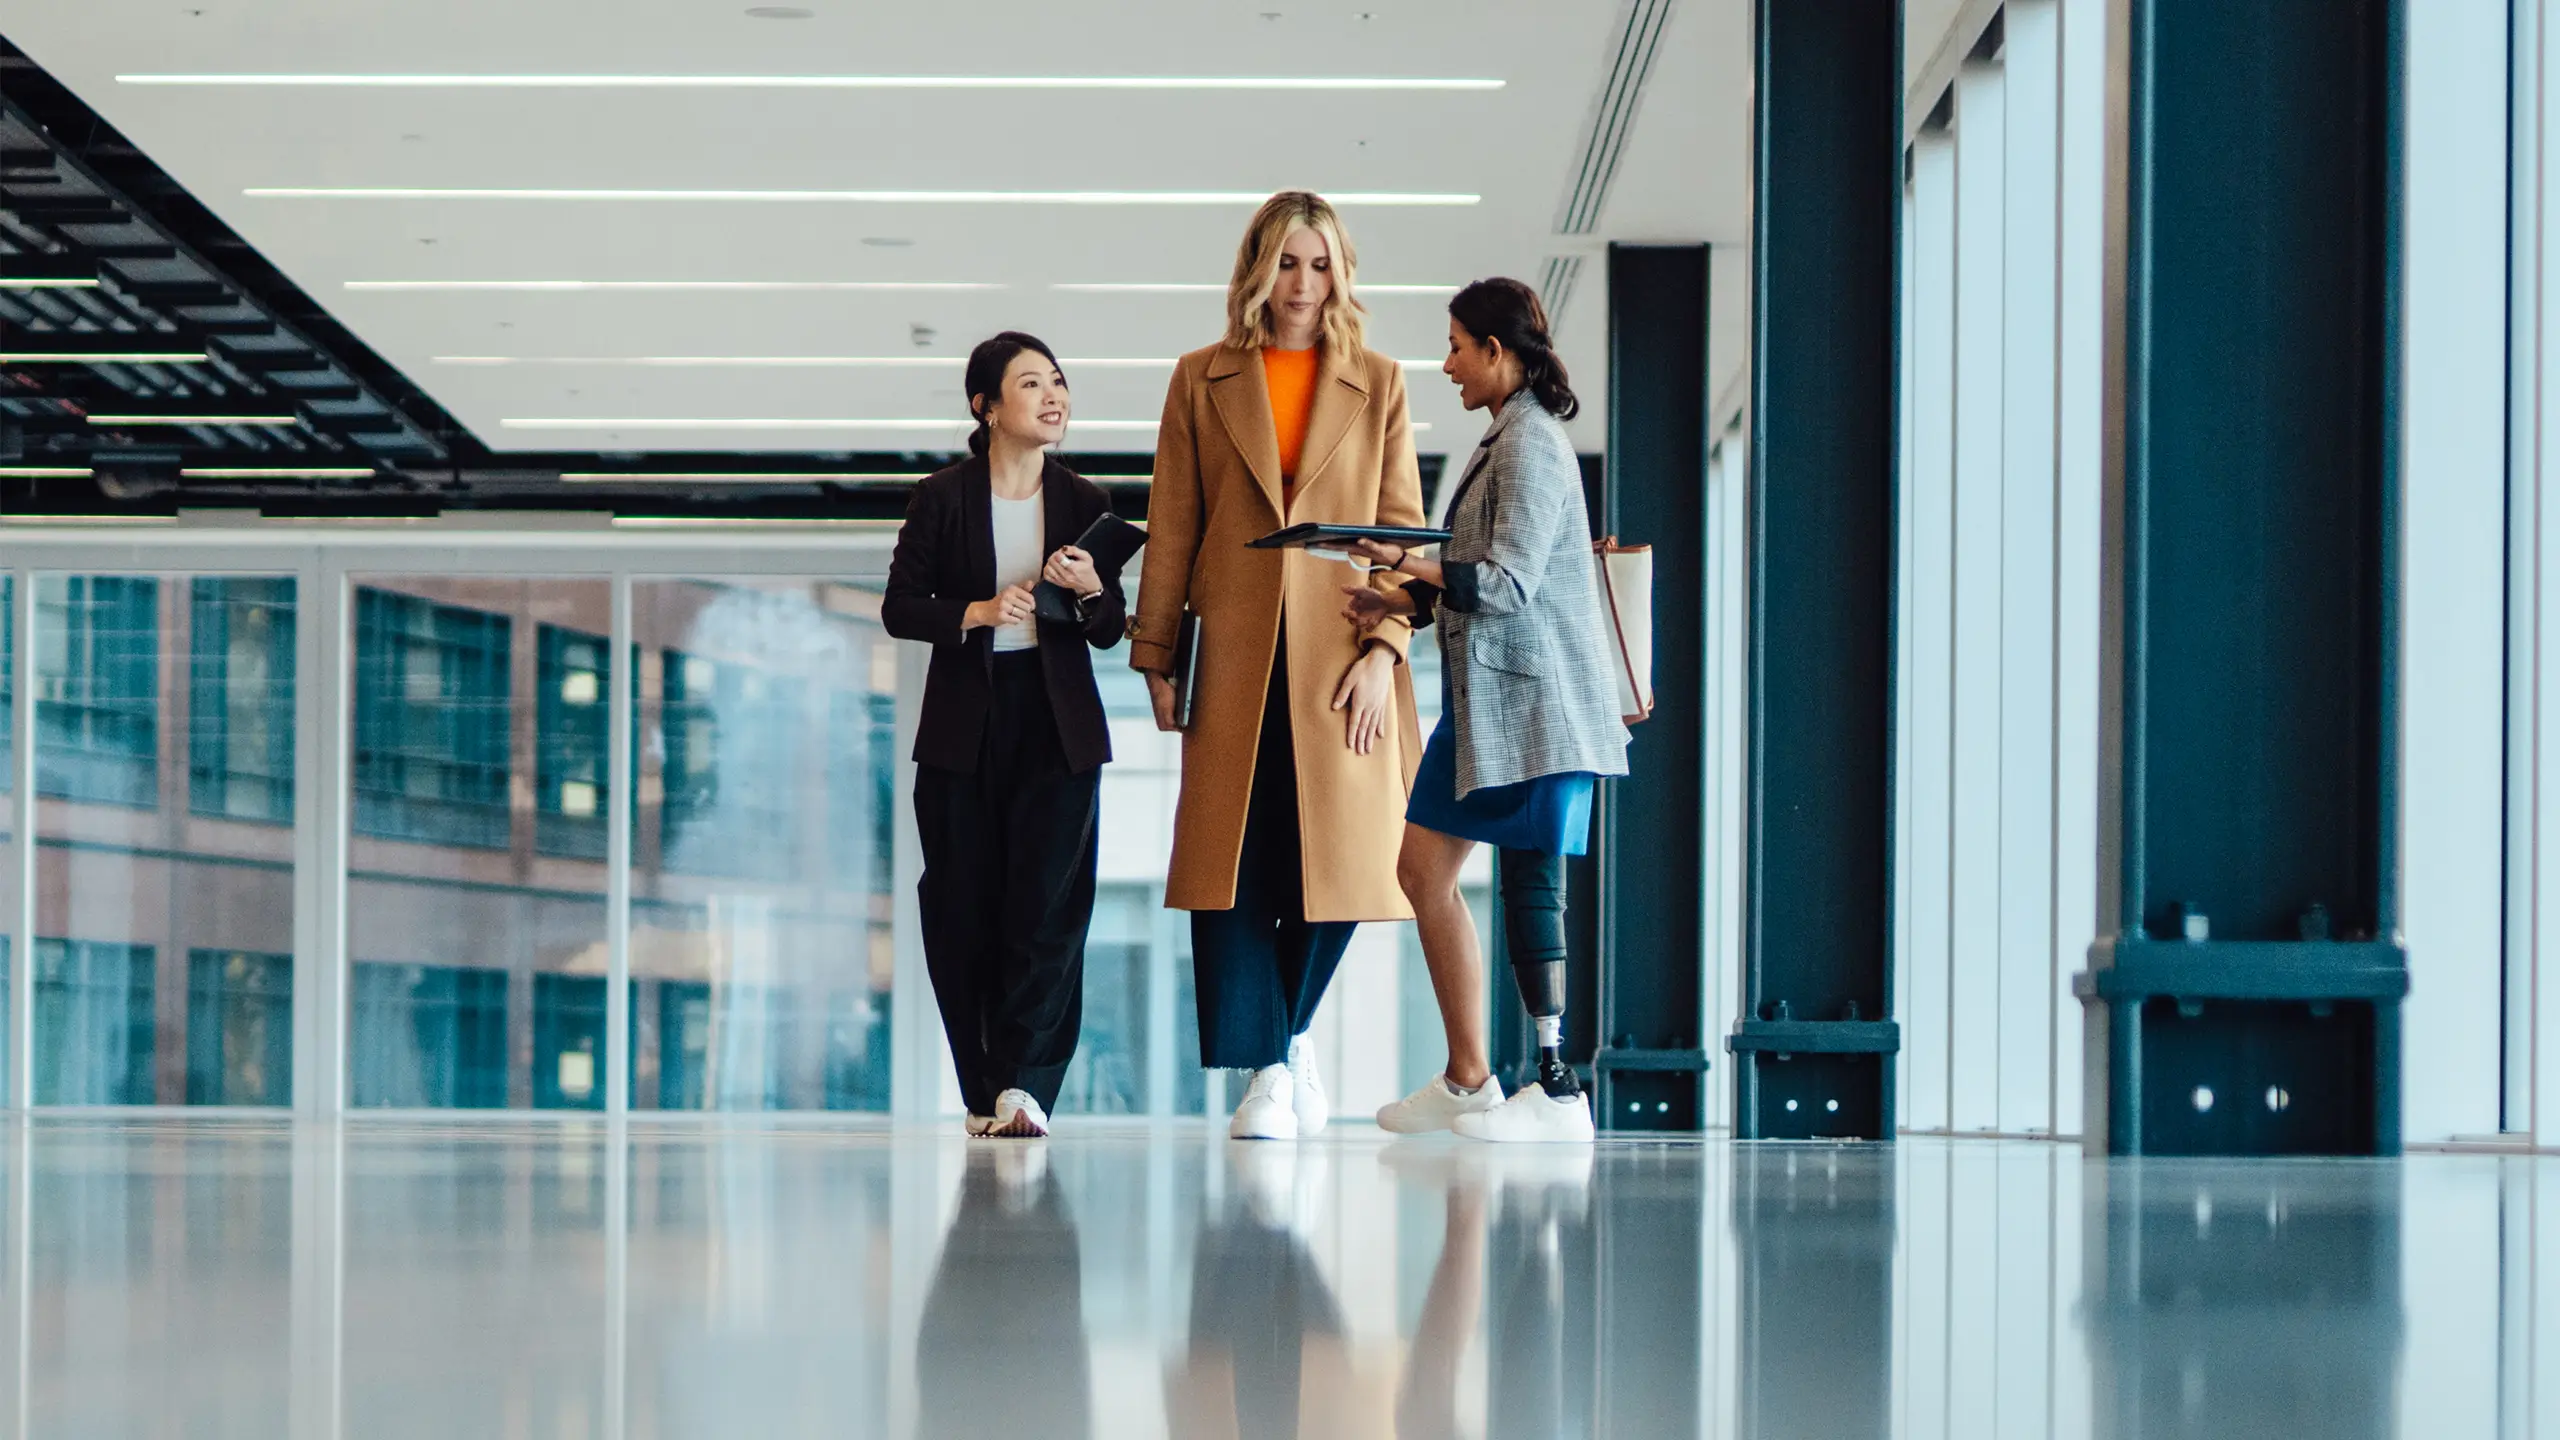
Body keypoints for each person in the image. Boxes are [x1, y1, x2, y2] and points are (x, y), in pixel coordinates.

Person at [1127, 190, 1427, 1141]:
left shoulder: (1377, 380)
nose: (1304, 284)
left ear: (1342, 273)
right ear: (1258, 268)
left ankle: (1288, 1038)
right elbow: (1173, 523)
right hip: (1238, 650)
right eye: (1288, 263)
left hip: (1342, 650)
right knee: (1232, 862)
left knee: (1338, 859)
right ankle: (1271, 1064)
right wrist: (1156, 653)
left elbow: (1404, 532)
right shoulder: (1198, 378)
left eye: (1321, 264)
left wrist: (1386, 649)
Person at [1348, 278, 1630, 1143]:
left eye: (1458, 346)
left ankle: (1556, 1087)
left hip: (1536, 707)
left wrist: (1414, 564)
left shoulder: (1533, 445)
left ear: (1498, 353)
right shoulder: (1502, 439)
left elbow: (1509, 583)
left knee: (1529, 881)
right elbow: (1483, 579)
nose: (1447, 364)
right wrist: (1402, 598)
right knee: (1420, 871)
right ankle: (1470, 1078)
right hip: (1483, 707)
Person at [883, 331, 1127, 1139]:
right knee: (961, 909)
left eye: (1059, 381)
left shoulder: (1087, 502)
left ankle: (1027, 1088)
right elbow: (900, 607)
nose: (1054, 396)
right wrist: (980, 613)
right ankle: (984, 1090)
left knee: (1049, 910)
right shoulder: (942, 496)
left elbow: (1108, 631)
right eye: (1032, 384)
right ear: (986, 407)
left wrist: (1092, 591)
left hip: (1058, 726)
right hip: (965, 725)